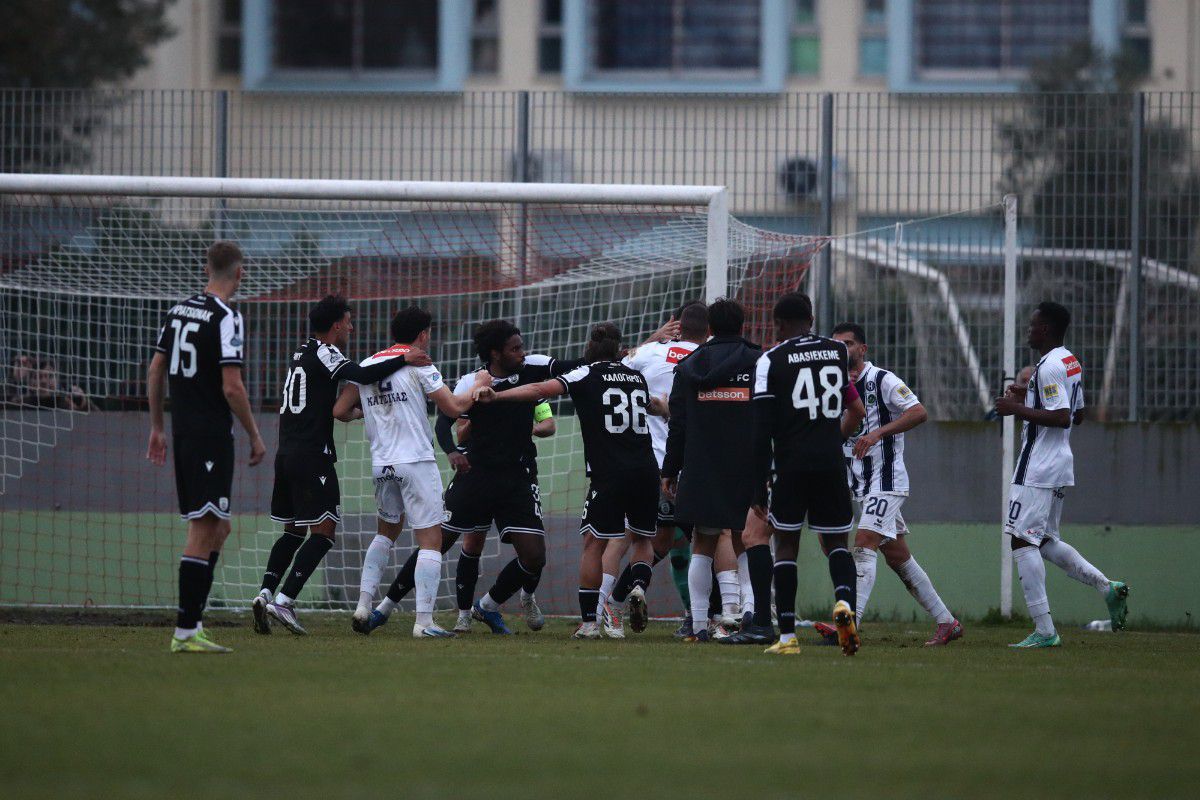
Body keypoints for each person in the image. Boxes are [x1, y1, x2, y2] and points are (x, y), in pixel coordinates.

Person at [250, 295, 427, 636]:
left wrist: (363, 411)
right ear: (334, 325)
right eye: (347, 321)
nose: (351, 326)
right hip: (311, 455)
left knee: (292, 531)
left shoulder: (300, 352)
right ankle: (284, 601)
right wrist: (404, 357)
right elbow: (359, 374)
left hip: (285, 454)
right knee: (325, 531)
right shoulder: (325, 350)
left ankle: (265, 593)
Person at [474, 323, 660, 639]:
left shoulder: (584, 374)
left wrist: (498, 395)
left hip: (609, 475)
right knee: (642, 541)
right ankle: (638, 586)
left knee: (593, 544)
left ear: (590, 347)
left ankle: (589, 624)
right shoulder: (637, 378)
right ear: (618, 349)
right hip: (646, 471)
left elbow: (539, 390)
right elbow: (656, 405)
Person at [332, 306, 485, 638]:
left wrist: (368, 414)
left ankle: (362, 606)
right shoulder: (419, 363)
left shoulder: (370, 364)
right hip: (415, 461)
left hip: (381, 462)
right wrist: (479, 388)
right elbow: (454, 408)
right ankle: (424, 622)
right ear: (423, 334)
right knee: (431, 540)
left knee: (386, 532)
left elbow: (340, 411)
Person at [146, 240, 266, 654]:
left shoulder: (178, 310)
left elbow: (156, 367)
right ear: (240, 273)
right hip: (210, 434)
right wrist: (254, 433)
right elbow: (232, 386)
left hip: (184, 431)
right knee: (203, 527)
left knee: (220, 526)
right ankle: (184, 630)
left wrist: (158, 427)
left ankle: (193, 624)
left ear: (205, 268)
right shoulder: (227, 316)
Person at [811, 322, 963, 647]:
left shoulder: (882, 379)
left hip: (887, 478)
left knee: (863, 544)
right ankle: (947, 621)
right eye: (837, 343)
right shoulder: (830, 382)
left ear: (862, 349)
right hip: (858, 483)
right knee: (898, 556)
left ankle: (849, 625)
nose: (843, 349)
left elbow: (919, 412)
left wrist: (878, 432)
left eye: (849, 343)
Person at [994, 301, 1128, 648]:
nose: (1029, 330)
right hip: (1058, 464)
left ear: (1047, 330)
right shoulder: (1069, 360)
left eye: (1033, 325)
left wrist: (1015, 409)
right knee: (1046, 541)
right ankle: (1106, 587)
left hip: (1037, 465)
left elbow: (1062, 416)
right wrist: (1031, 393)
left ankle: (1044, 630)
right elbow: (1078, 413)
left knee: (1021, 540)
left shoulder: (1051, 365)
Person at [746, 292, 866, 655]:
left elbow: (761, 427)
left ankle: (786, 638)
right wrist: (831, 440)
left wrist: (757, 482)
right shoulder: (837, 352)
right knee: (837, 545)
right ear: (812, 320)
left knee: (785, 543)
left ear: (779, 324)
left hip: (791, 464)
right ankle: (845, 605)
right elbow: (856, 410)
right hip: (830, 462)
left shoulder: (771, 359)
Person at [660, 298, 762, 643]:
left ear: (710, 330)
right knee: (747, 538)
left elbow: (679, 424)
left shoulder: (690, 365)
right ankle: (751, 611)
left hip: (702, 466)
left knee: (702, 541)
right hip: (748, 464)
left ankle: (700, 625)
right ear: (743, 326)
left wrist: (669, 469)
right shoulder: (759, 362)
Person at [604, 300, 709, 637]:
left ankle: (607, 604)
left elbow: (610, 364)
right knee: (707, 540)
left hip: (647, 462)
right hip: (694, 463)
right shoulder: (710, 356)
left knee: (641, 538)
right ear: (708, 330)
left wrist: (653, 338)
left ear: (674, 323)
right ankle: (718, 614)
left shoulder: (648, 354)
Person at [437, 400, 556, 634]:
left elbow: (549, 424)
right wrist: (486, 414)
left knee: (533, 541)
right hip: (480, 472)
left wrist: (522, 426)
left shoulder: (528, 389)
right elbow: (461, 435)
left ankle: (527, 597)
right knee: (472, 541)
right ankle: (464, 616)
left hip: (517, 474)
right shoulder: (473, 389)